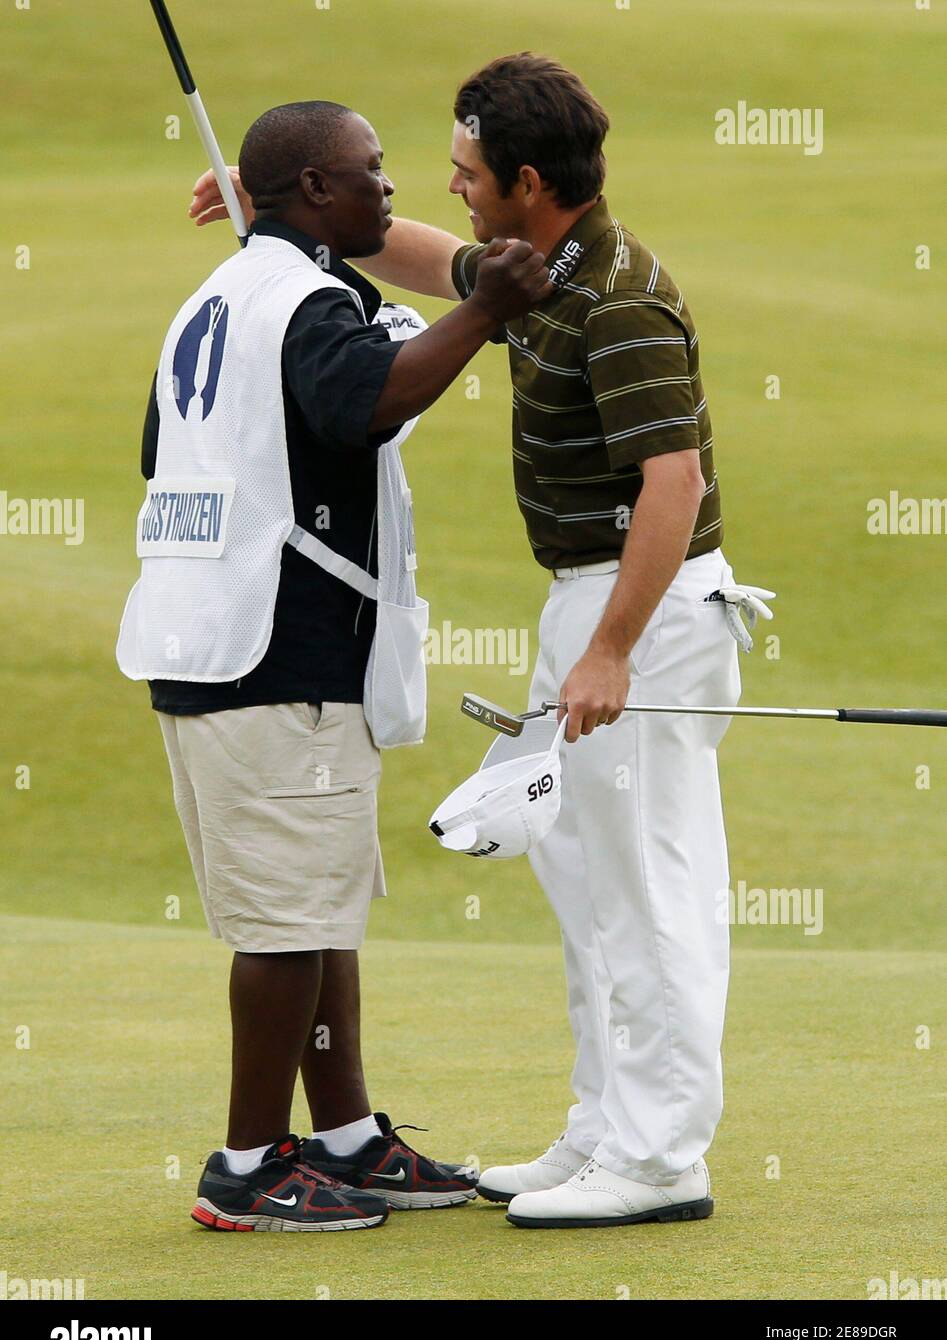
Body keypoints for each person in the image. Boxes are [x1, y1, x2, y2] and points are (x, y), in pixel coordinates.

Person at [192, 54, 743, 1231]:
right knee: (585, 880)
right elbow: (421, 260)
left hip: (640, 613)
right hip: (588, 604)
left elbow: (672, 482)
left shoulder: (617, 297)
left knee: (647, 890)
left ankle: (659, 1160)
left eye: (465, 173)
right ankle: (604, 1130)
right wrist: (269, 208)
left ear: (527, 180)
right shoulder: (543, 269)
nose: (447, 192)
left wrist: (609, 651)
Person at [120, 98, 552, 1232]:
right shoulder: (300, 303)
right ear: (315, 191)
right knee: (281, 928)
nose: (389, 190)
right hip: (278, 653)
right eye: (370, 173)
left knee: (318, 907)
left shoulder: (217, 303)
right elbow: (368, 399)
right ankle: (247, 1165)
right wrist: (486, 305)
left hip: (218, 642)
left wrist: (448, 312)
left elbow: (183, 451)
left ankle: (347, 1136)